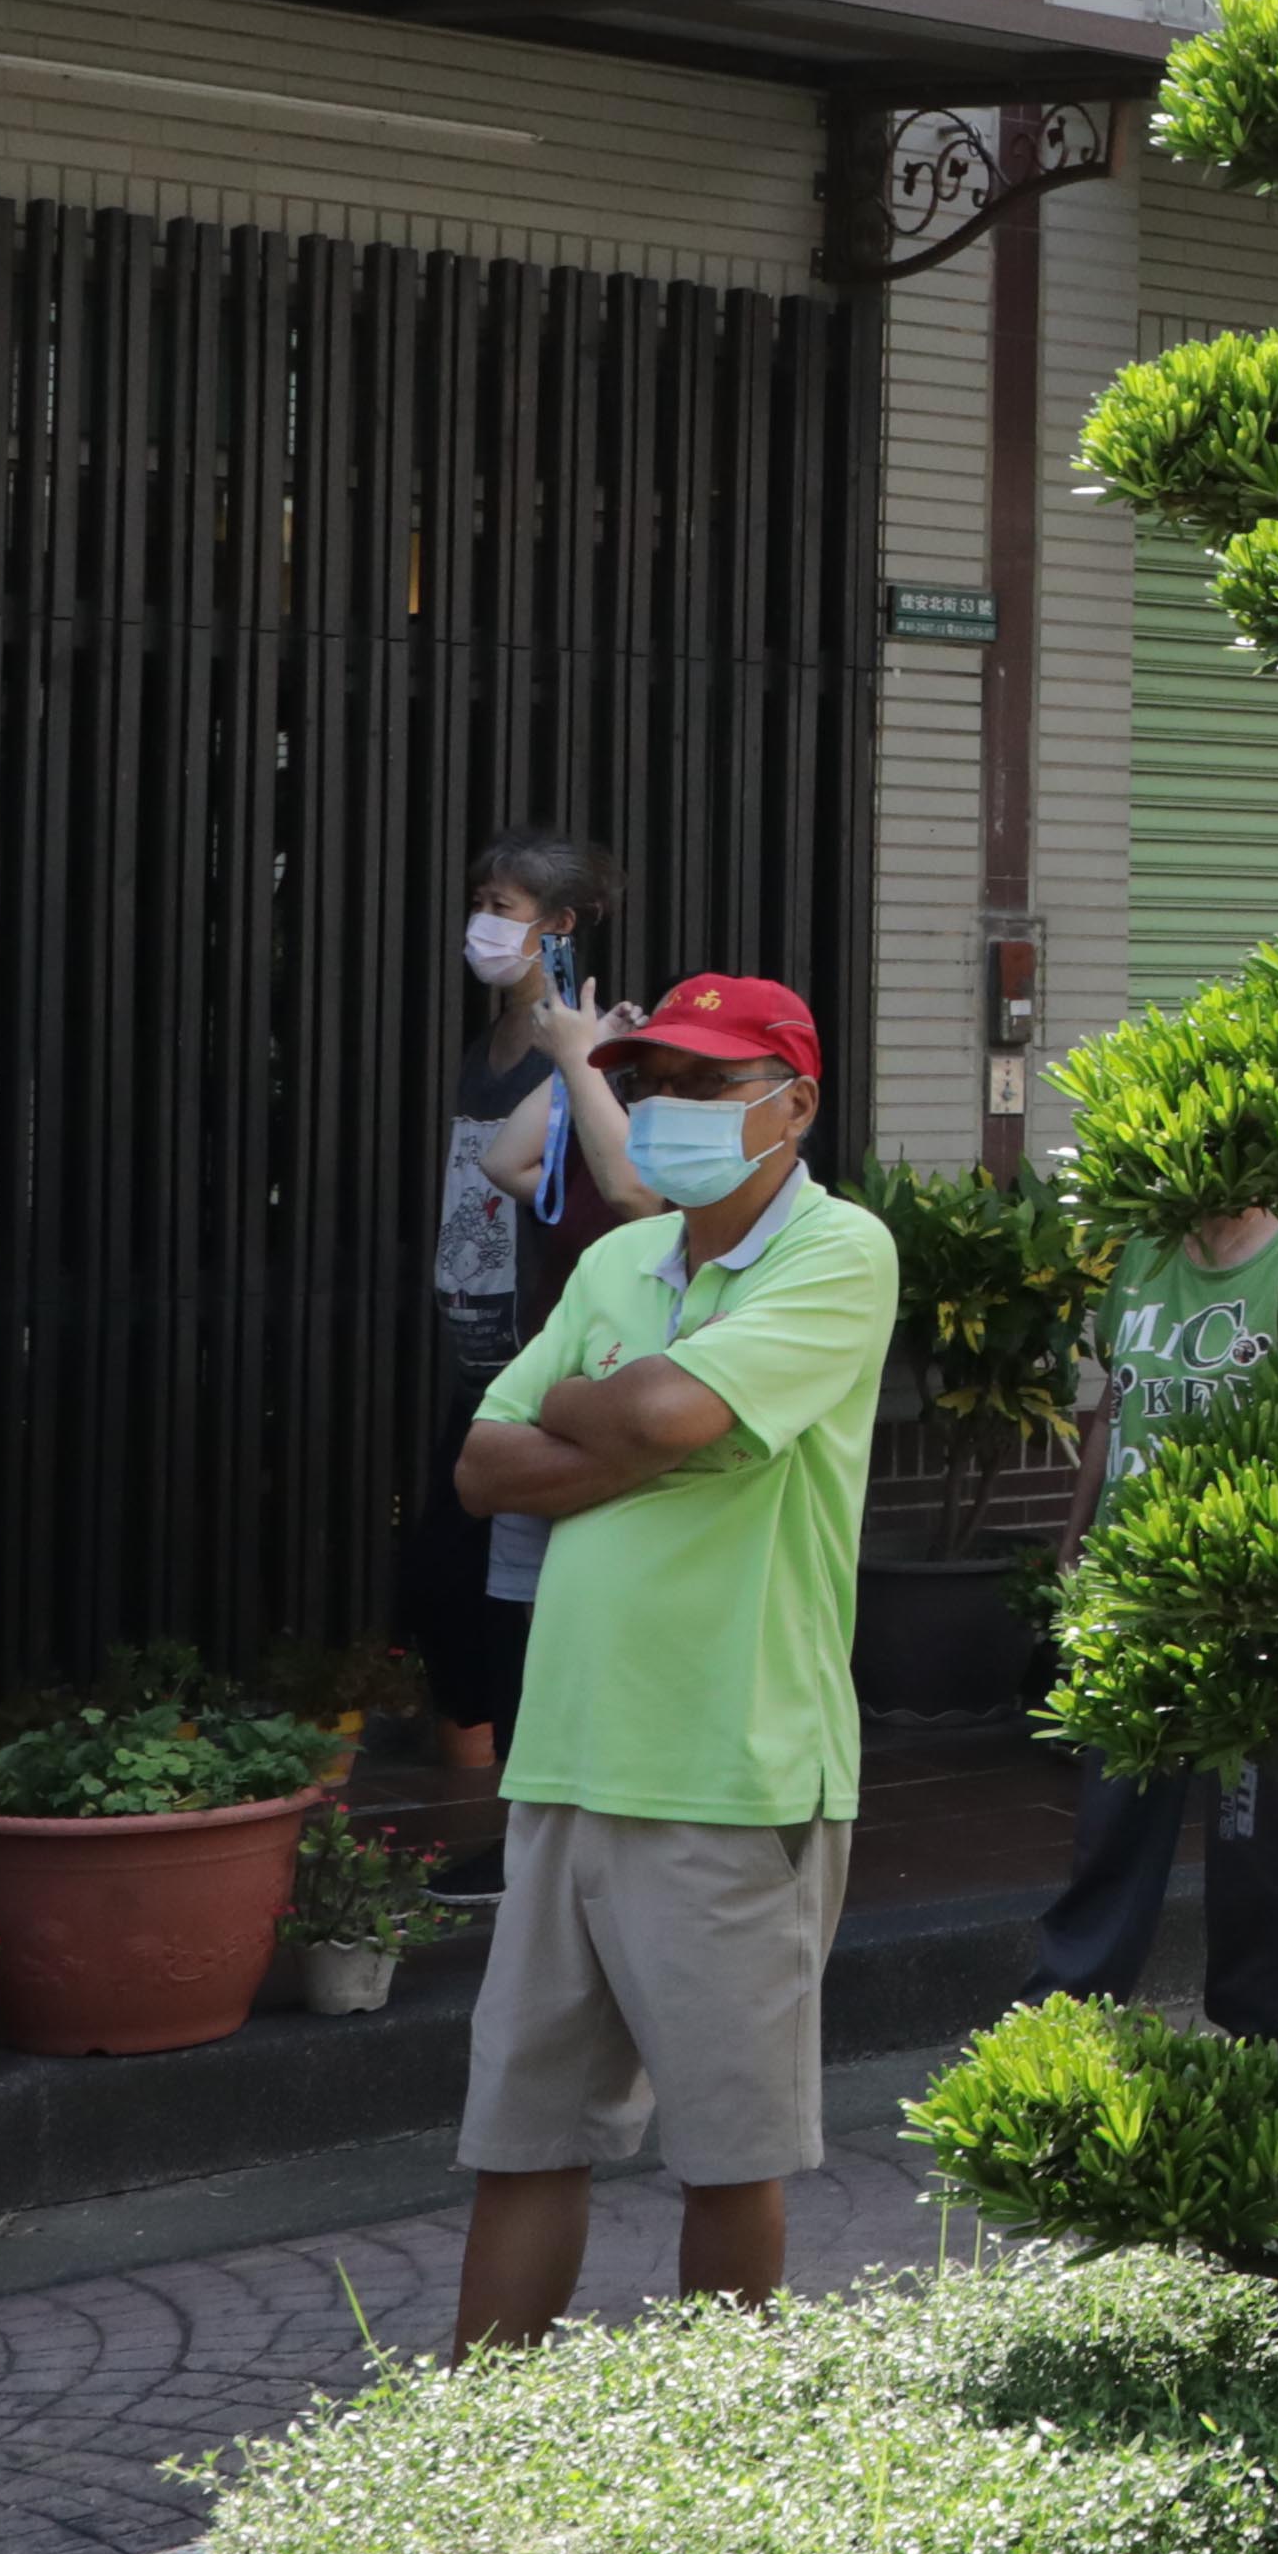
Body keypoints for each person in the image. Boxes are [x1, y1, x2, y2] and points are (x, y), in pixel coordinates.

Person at [438, 974, 898, 2350]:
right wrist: (635, 1425)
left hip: (732, 1769)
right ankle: (468, 2442)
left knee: (728, 2151)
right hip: (568, 1755)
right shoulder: (613, 1265)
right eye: (649, 1085)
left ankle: (711, 2459)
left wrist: (626, 1410)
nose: (666, 1112)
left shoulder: (839, 1251)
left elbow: (668, 1405)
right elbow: (479, 1467)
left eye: (706, 1085)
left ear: (793, 1103)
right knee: (521, 2136)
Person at [1028, 1185, 1278, 2039]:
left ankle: (1255, 2032)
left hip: (1254, 1603)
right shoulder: (1145, 1254)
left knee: (1253, 1836)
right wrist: (1075, 1539)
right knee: (1114, 1825)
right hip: (1134, 1591)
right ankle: (1064, 2024)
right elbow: (1116, 1400)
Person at [426, 835, 661, 1766]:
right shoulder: (492, 1041)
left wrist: (586, 1061)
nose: (483, 923)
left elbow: (618, 1194)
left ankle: (526, 1799)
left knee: (504, 1587)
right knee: (461, 1584)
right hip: (475, 1327)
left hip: (540, 1341)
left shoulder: (590, 1044)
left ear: (560, 926)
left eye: (504, 905)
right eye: (479, 900)